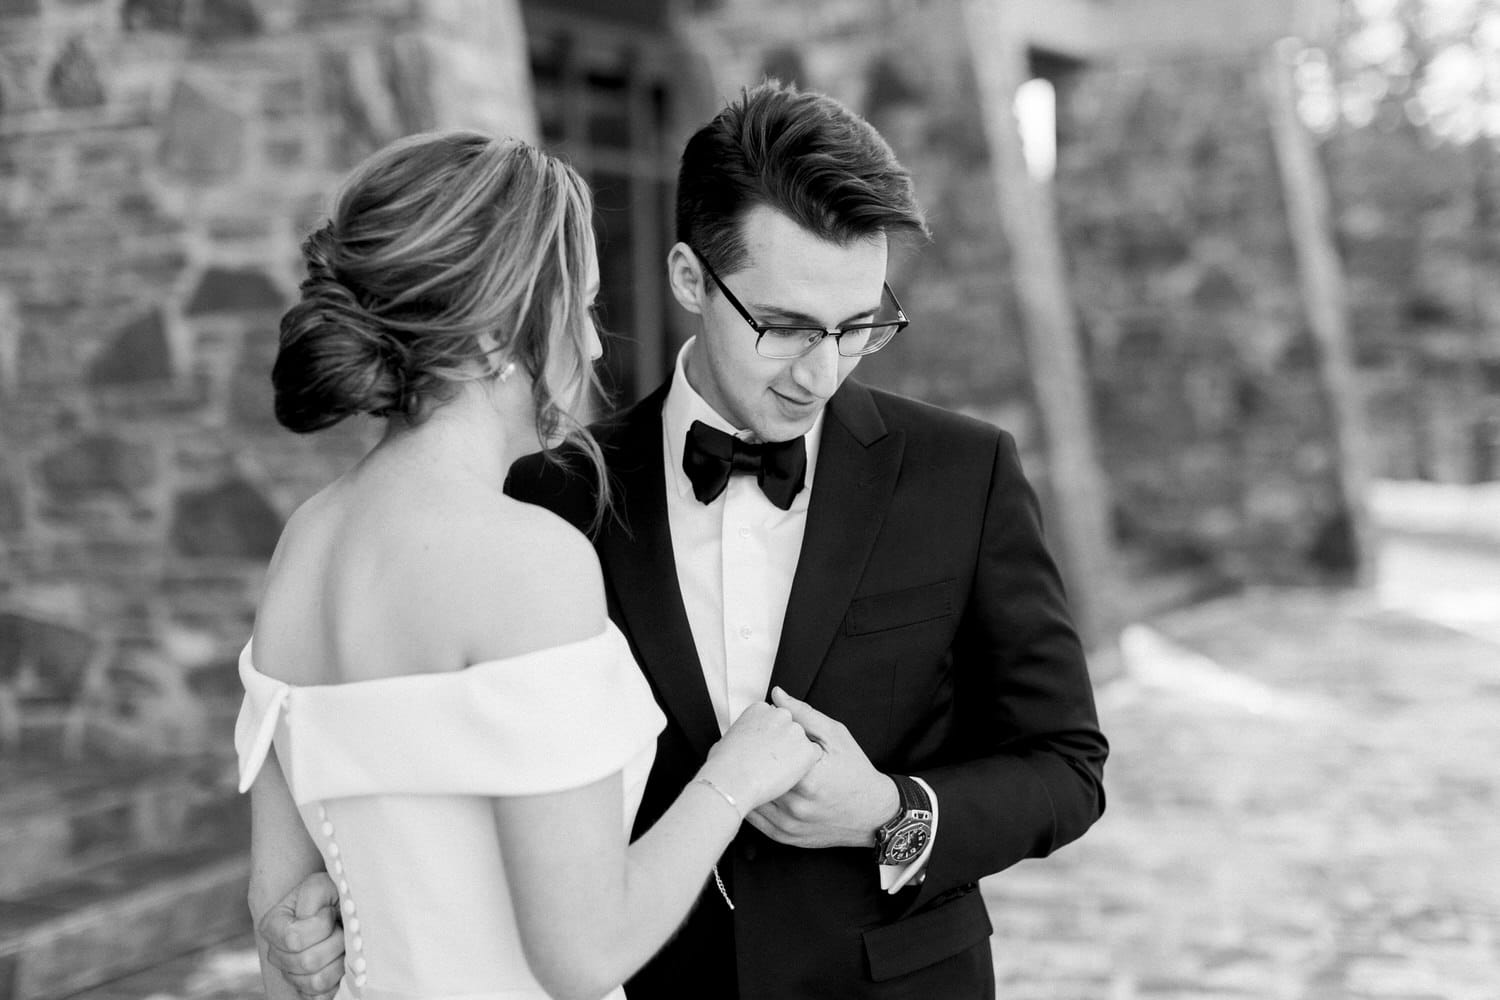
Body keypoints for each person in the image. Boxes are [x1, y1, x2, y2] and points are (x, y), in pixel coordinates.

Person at [264, 82, 1108, 998]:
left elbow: (1065, 764)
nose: (822, 370)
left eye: (859, 327)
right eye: (785, 327)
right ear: (690, 280)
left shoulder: (963, 471)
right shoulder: (542, 502)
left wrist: (891, 813)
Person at [237, 128, 824, 1000]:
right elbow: (584, 954)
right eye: (579, 309)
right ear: (486, 343)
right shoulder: (527, 561)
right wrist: (731, 782)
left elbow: (281, 928)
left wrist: (301, 939)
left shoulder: (304, 546)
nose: (591, 347)